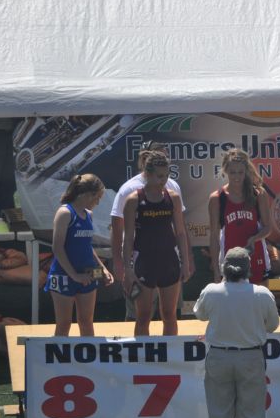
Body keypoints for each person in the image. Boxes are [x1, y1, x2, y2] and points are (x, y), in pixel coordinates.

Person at [194, 246, 279, 418]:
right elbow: (272, 326)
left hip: (219, 357)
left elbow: (200, 314)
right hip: (251, 358)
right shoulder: (262, 294)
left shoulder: (212, 291)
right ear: (248, 269)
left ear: (224, 268)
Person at [110, 141, 191, 320]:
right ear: (147, 171)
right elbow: (122, 233)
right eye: (159, 176)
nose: (163, 180)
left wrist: (186, 261)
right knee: (141, 315)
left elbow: (181, 231)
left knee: (170, 314)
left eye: (166, 175)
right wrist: (124, 267)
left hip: (169, 260)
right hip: (142, 262)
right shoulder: (131, 194)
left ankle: (169, 348)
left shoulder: (173, 192)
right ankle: (136, 347)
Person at [45, 174, 114, 336]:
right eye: (97, 198)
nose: (97, 203)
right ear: (86, 194)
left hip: (88, 274)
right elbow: (58, 248)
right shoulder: (65, 213)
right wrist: (74, 275)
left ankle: (90, 360)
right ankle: (61, 360)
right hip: (64, 275)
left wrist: (102, 269)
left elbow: (86, 246)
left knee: (86, 322)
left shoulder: (88, 214)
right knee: (63, 325)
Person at [209, 148, 273, 286]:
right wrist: (215, 269)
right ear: (225, 171)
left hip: (256, 256)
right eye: (232, 172)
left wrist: (255, 238)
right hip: (229, 259)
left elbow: (268, 228)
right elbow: (214, 236)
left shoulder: (258, 194)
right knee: (231, 305)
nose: (237, 177)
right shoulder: (217, 198)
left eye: (240, 172)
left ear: (246, 171)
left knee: (259, 303)